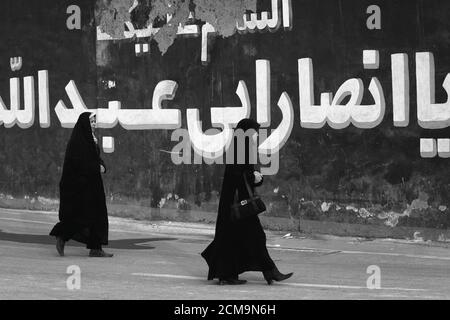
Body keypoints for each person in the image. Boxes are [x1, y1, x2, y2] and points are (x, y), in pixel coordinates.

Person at [201, 118, 293, 285]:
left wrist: (255, 178)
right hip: (238, 204)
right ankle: (269, 272)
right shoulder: (239, 147)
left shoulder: (241, 146)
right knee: (255, 236)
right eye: (252, 132)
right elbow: (235, 174)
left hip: (238, 203)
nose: (255, 135)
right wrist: (253, 176)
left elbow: (242, 173)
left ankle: (228, 274)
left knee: (231, 238)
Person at [49, 112, 113, 258]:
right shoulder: (77, 141)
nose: (94, 124)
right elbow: (79, 163)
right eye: (91, 122)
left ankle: (96, 248)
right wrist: (95, 167)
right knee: (82, 216)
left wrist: (102, 166)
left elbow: (95, 158)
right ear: (85, 124)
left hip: (93, 185)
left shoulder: (91, 139)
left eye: (95, 121)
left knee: (98, 215)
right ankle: (62, 235)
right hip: (80, 186)